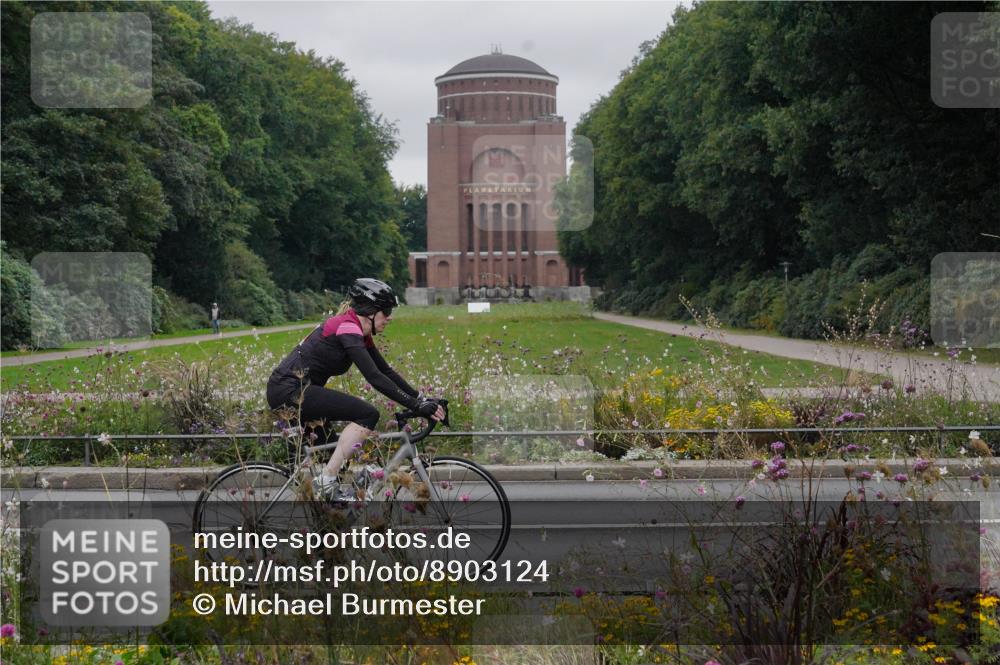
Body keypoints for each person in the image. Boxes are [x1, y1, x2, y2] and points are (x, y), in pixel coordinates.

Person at [265, 278, 445, 501]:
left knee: (337, 460)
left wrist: (421, 397)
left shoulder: (358, 330)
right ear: (370, 311)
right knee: (367, 414)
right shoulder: (347, 328)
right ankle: (325, 482)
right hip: (289, 390)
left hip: (298, 390)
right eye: (386, 311)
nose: (389, 317)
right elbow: (374, 377)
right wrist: (416, 406)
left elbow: (385, 371)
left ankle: (328, 518)